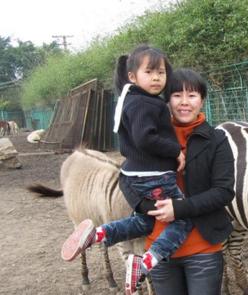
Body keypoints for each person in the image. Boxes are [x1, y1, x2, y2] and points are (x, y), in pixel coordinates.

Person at [60, 45, 191, 295]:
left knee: (143, 221)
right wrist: (175, 150)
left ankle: (98, 234)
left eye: (161, 72)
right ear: (132, 76)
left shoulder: (128, 100)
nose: (156, 77)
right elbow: (145, 138)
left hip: (134, 174)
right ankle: (148, 261)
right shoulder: (146, 104)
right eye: (149, 71)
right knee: (183, 217)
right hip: (153, 177)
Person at [145, 68, 235, 295]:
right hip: (159, 250)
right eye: (177, 95)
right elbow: (130, 182)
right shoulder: (152, 139)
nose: (184, 102)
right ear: (167, 101)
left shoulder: (217, 140)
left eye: (192, 95)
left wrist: (179, 208)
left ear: (202, 100)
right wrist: (146, 207)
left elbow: (223, 191)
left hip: (203, 248)